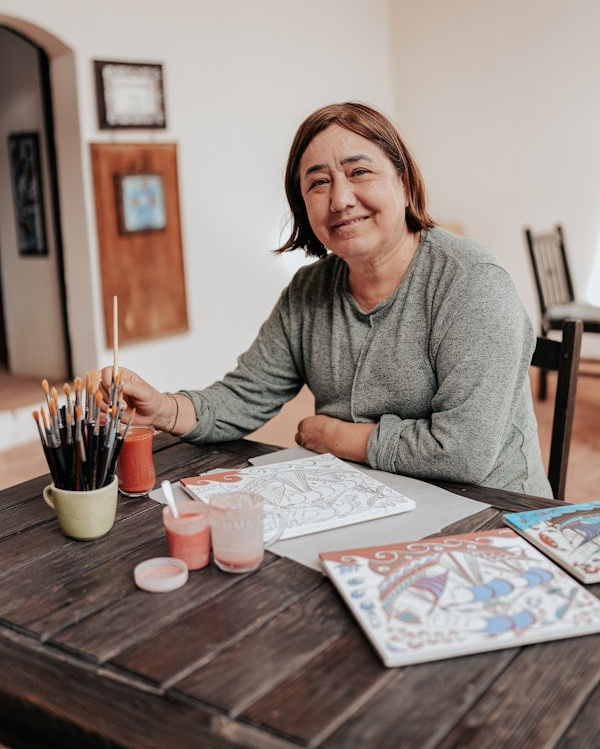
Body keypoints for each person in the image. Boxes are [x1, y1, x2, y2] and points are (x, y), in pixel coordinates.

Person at [101, 102, 551, 496]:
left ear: (404, 183)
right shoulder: (308, 290)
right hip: (361, 499)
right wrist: (163, 409)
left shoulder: (471, 282)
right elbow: (244, 396)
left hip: (490, 514)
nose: (340, 199)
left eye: (359, 172)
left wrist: (334, 436)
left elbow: (463, 452)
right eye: (318, 183)